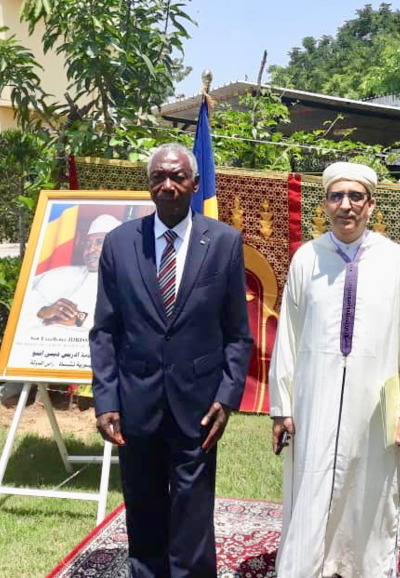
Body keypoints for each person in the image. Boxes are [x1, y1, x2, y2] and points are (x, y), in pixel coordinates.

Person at [89, 143, 253, 578]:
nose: (168, 185)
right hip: (135, 402)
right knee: (142, 507)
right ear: (148, 185)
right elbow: (105, 329)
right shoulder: (120, 244)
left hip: (198, 406)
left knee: (192, 510)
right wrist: (105, 400)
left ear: (195, 184)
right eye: (159, 177)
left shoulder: (224, 243)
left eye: (177, 177)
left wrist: (228, 396)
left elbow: (238, 332)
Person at [268, 161, 400, 578]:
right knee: (310, 487)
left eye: (355, 197)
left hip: (375, 405)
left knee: (371, 494)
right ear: (324, 204)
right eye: (336, 196)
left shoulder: (395, 261)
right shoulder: (307, 258)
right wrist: (281, 406)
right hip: (313, 402)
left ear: (372, 205)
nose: (346, 206)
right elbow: (287, 333)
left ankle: (364, 568)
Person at [25, 213, 122, 329]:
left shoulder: (133, 280)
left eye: (99, 242)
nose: (91, 249)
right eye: (87, 244)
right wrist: (42, 309)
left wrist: (80, 319)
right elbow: (27, 293)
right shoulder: (66, 274)